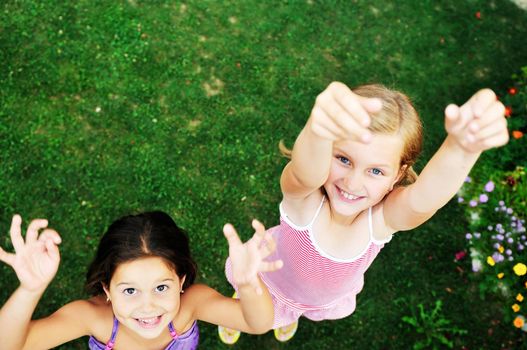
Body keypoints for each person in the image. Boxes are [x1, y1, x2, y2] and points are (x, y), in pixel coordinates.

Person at [218, 82, 509, 343]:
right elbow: (304, 173)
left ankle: (291, 316)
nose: (352, 182)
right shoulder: (304, 201)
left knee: (291, 314)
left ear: (398, 175)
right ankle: (242, 306)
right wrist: (318, 131)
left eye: (375, 171)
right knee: (252, 311)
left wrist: (461, 149)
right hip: (268, 281)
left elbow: (422, 202)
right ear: (327, 149)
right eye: (343, 159)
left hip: (318, 300)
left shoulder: (380, 222)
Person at [0, 210, 283, 349]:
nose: (148, 307)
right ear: (106, 289)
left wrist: (248, 286)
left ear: (181, 281)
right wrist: (30, 289)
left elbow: (257, 323)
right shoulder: (92, 318)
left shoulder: (191, 304)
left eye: (161, 287)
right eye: (130, 290)